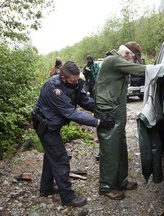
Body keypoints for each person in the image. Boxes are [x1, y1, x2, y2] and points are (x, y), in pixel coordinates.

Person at [32, 61, 114, 207]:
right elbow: (71, 113)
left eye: (77, 80)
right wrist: (98, 122)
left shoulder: (74, 83)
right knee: (60, 158)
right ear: (63, 78)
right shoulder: (54, 88)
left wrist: (99, 110)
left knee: (51, 156)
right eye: (73, 81)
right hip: (45, 126)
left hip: (52, 124)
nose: (76, 83)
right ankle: (68, 197)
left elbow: (83, 100)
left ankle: (46, 188)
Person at [94, 41, 147, 200]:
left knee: (120, 146)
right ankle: (106, 187)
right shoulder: (114, 60)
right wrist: (159, 69)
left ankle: (121, 181)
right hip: (107, 111)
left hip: (116, 109)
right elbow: (139, 70)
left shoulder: (118, 61)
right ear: (127, 54)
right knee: (110, 149)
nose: (133, 62)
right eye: (133, 58)